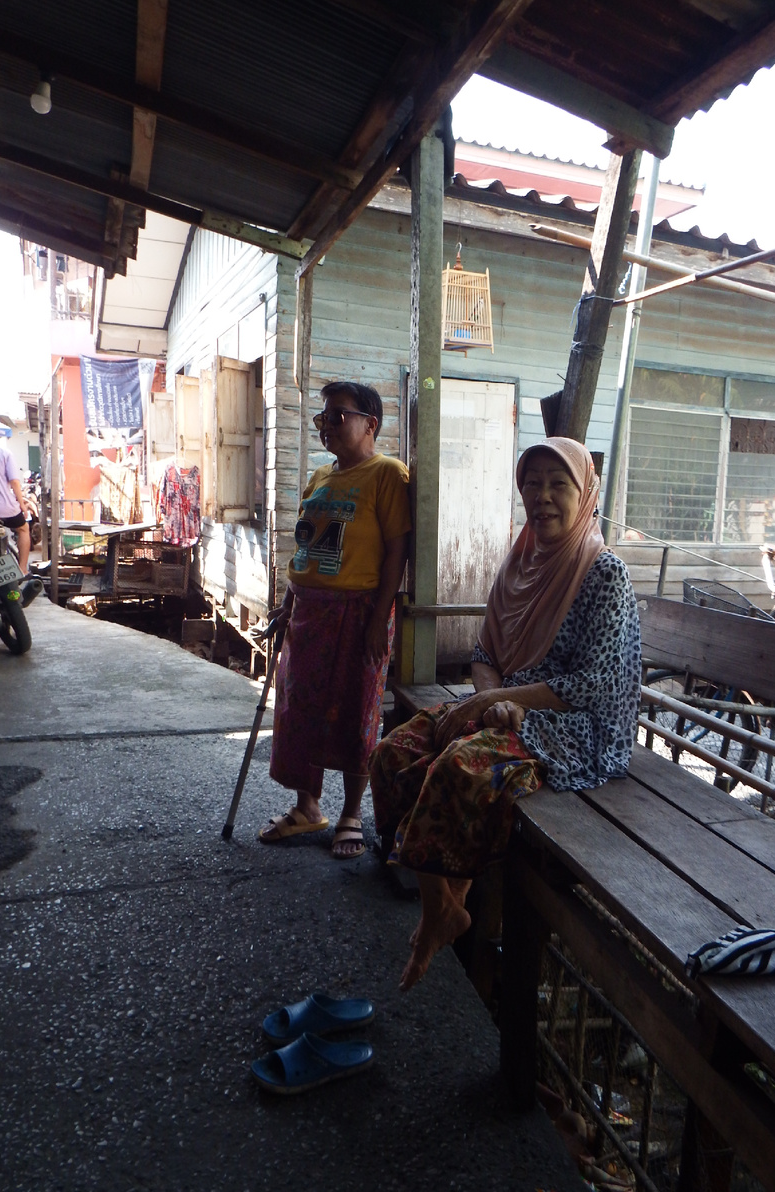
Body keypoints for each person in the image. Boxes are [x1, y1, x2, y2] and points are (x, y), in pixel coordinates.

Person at [369, 437, 641, 991]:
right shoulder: (522, 561)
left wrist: (493, 703)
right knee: (394, 751)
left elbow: (597, 684)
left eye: (557, 484)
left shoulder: (603, 574)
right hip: (506, 707)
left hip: (574, 727)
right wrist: (490, 700)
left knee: (457, 768)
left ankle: (442, 913)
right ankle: (441, 903)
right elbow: (485, 655)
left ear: (585, 492)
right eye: (532, 483)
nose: (542, 497)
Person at [258, 381, 411, 859]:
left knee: (356, 709)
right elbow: (306, 550)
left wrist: (377, 618)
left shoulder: (388, 474)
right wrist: (287, 603)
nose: (327, 427)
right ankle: (308, 807)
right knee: (299, 708)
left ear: (372, 424)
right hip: (308, 612)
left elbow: (396, 552)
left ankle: (350, 813)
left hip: (358, 610)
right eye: (322, 419)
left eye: (337, 416)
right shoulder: (319, 478)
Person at [0, 443, 31, 572]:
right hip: (4, 508)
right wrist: (22, 504)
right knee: (23, 529)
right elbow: (14, 481)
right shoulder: (4, 453)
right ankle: (22, 569)